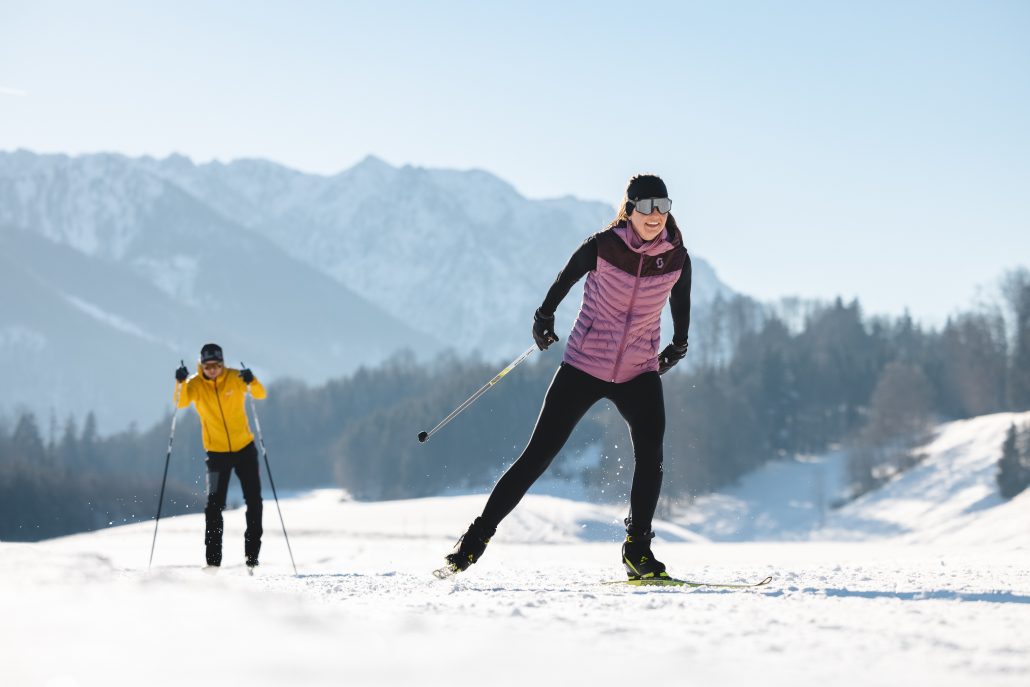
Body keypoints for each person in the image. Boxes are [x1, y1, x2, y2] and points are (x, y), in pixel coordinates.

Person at [442, 173, 691, 581]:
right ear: (629, 209)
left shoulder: (677, 257)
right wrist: (543, 317)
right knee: (537, 456)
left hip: (638, 371)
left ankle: (638, 550)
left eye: (662, 206)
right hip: (584, 365)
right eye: (646, 206)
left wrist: (678, 345)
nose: (655, 215)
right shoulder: (603, 246)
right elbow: (563, 281)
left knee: (651, 458)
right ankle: (474, 539)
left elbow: (682, 304)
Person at [174, 343, 267, 570]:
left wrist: (251, 379)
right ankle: (213, 562)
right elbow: (180, 402)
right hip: (216, 455)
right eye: (208, 366)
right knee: (214, 506)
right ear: (202, 365)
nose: (212, 370)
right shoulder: (194, 384)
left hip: (245, 449)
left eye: (216, 365)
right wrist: (180, 382)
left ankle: (251, 557)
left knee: (254, 501)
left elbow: (260, 394)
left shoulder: (235, 377)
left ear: (222, 363)